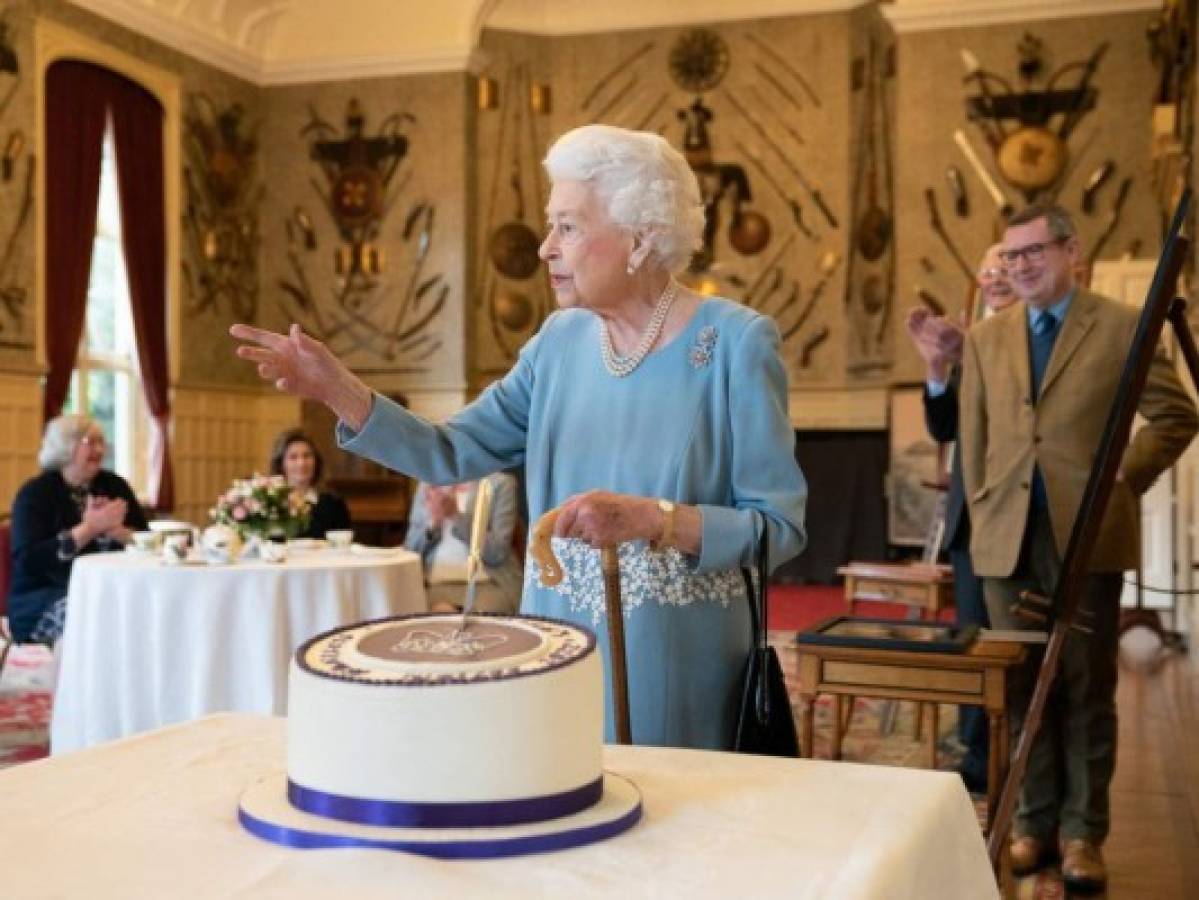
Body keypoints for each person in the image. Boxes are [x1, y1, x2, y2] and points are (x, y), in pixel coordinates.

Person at [232, 123, 808, 750]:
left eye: (568, 226)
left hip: (681, 664)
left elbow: (779, 528)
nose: (545, 248)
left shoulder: (735, 343)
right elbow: (447, 452)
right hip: (557, 647)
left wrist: (656, 519)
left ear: (640, 238)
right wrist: (337, 389)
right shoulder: (555, 345)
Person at [959, 204, 1198, 892]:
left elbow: (1178, 415)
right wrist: (982, 509)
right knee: (1024, 683)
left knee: (1086, 687)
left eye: (1033, 251)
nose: (1019, 266)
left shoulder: (1122, 327)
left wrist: (1125, 475)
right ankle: (1032, 823)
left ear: (1071, 252)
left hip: (1087, 535)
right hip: (1007, 539)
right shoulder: (985, 337)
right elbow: (974, 443)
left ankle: (1082, 834)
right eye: (1010, 256)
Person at [905, 244, 1017, 794]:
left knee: (1014, 644)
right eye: (988, 269)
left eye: (1006, 268)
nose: (996, 276)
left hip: (1024, 516)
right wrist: (936, 366)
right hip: (971, 520)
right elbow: (945, 426)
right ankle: (976, 759)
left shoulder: (1028, 342)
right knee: (971, 640)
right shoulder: (968, 337)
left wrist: (967, 353)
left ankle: (1021, 756)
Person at [8, 415, 148, 645]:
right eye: (90, 442)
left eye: (101, 442)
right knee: (100, 614)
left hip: (114, 590)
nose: (100, 449)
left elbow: (147, 540)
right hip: (44, 597)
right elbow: (28, 560)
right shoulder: (35, 494)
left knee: (145, 608)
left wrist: (118, 532)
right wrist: (89, 528)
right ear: (66, 446)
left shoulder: (115, 485)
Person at [403, 472, 523, 615]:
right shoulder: (428, 483)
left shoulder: (500, 483)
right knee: (418, 613)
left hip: (487, 583)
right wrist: (433, 524)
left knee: (468, 621)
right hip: (435, 584)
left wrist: (455, 516)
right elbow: (410, 551)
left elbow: (497, 553)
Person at [267, 428, 351, 539]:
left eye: (307, 456)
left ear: (316, 461)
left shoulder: (334, 503)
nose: (301, 463)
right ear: (281, 464)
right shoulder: (270, 502)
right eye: (293, 457)